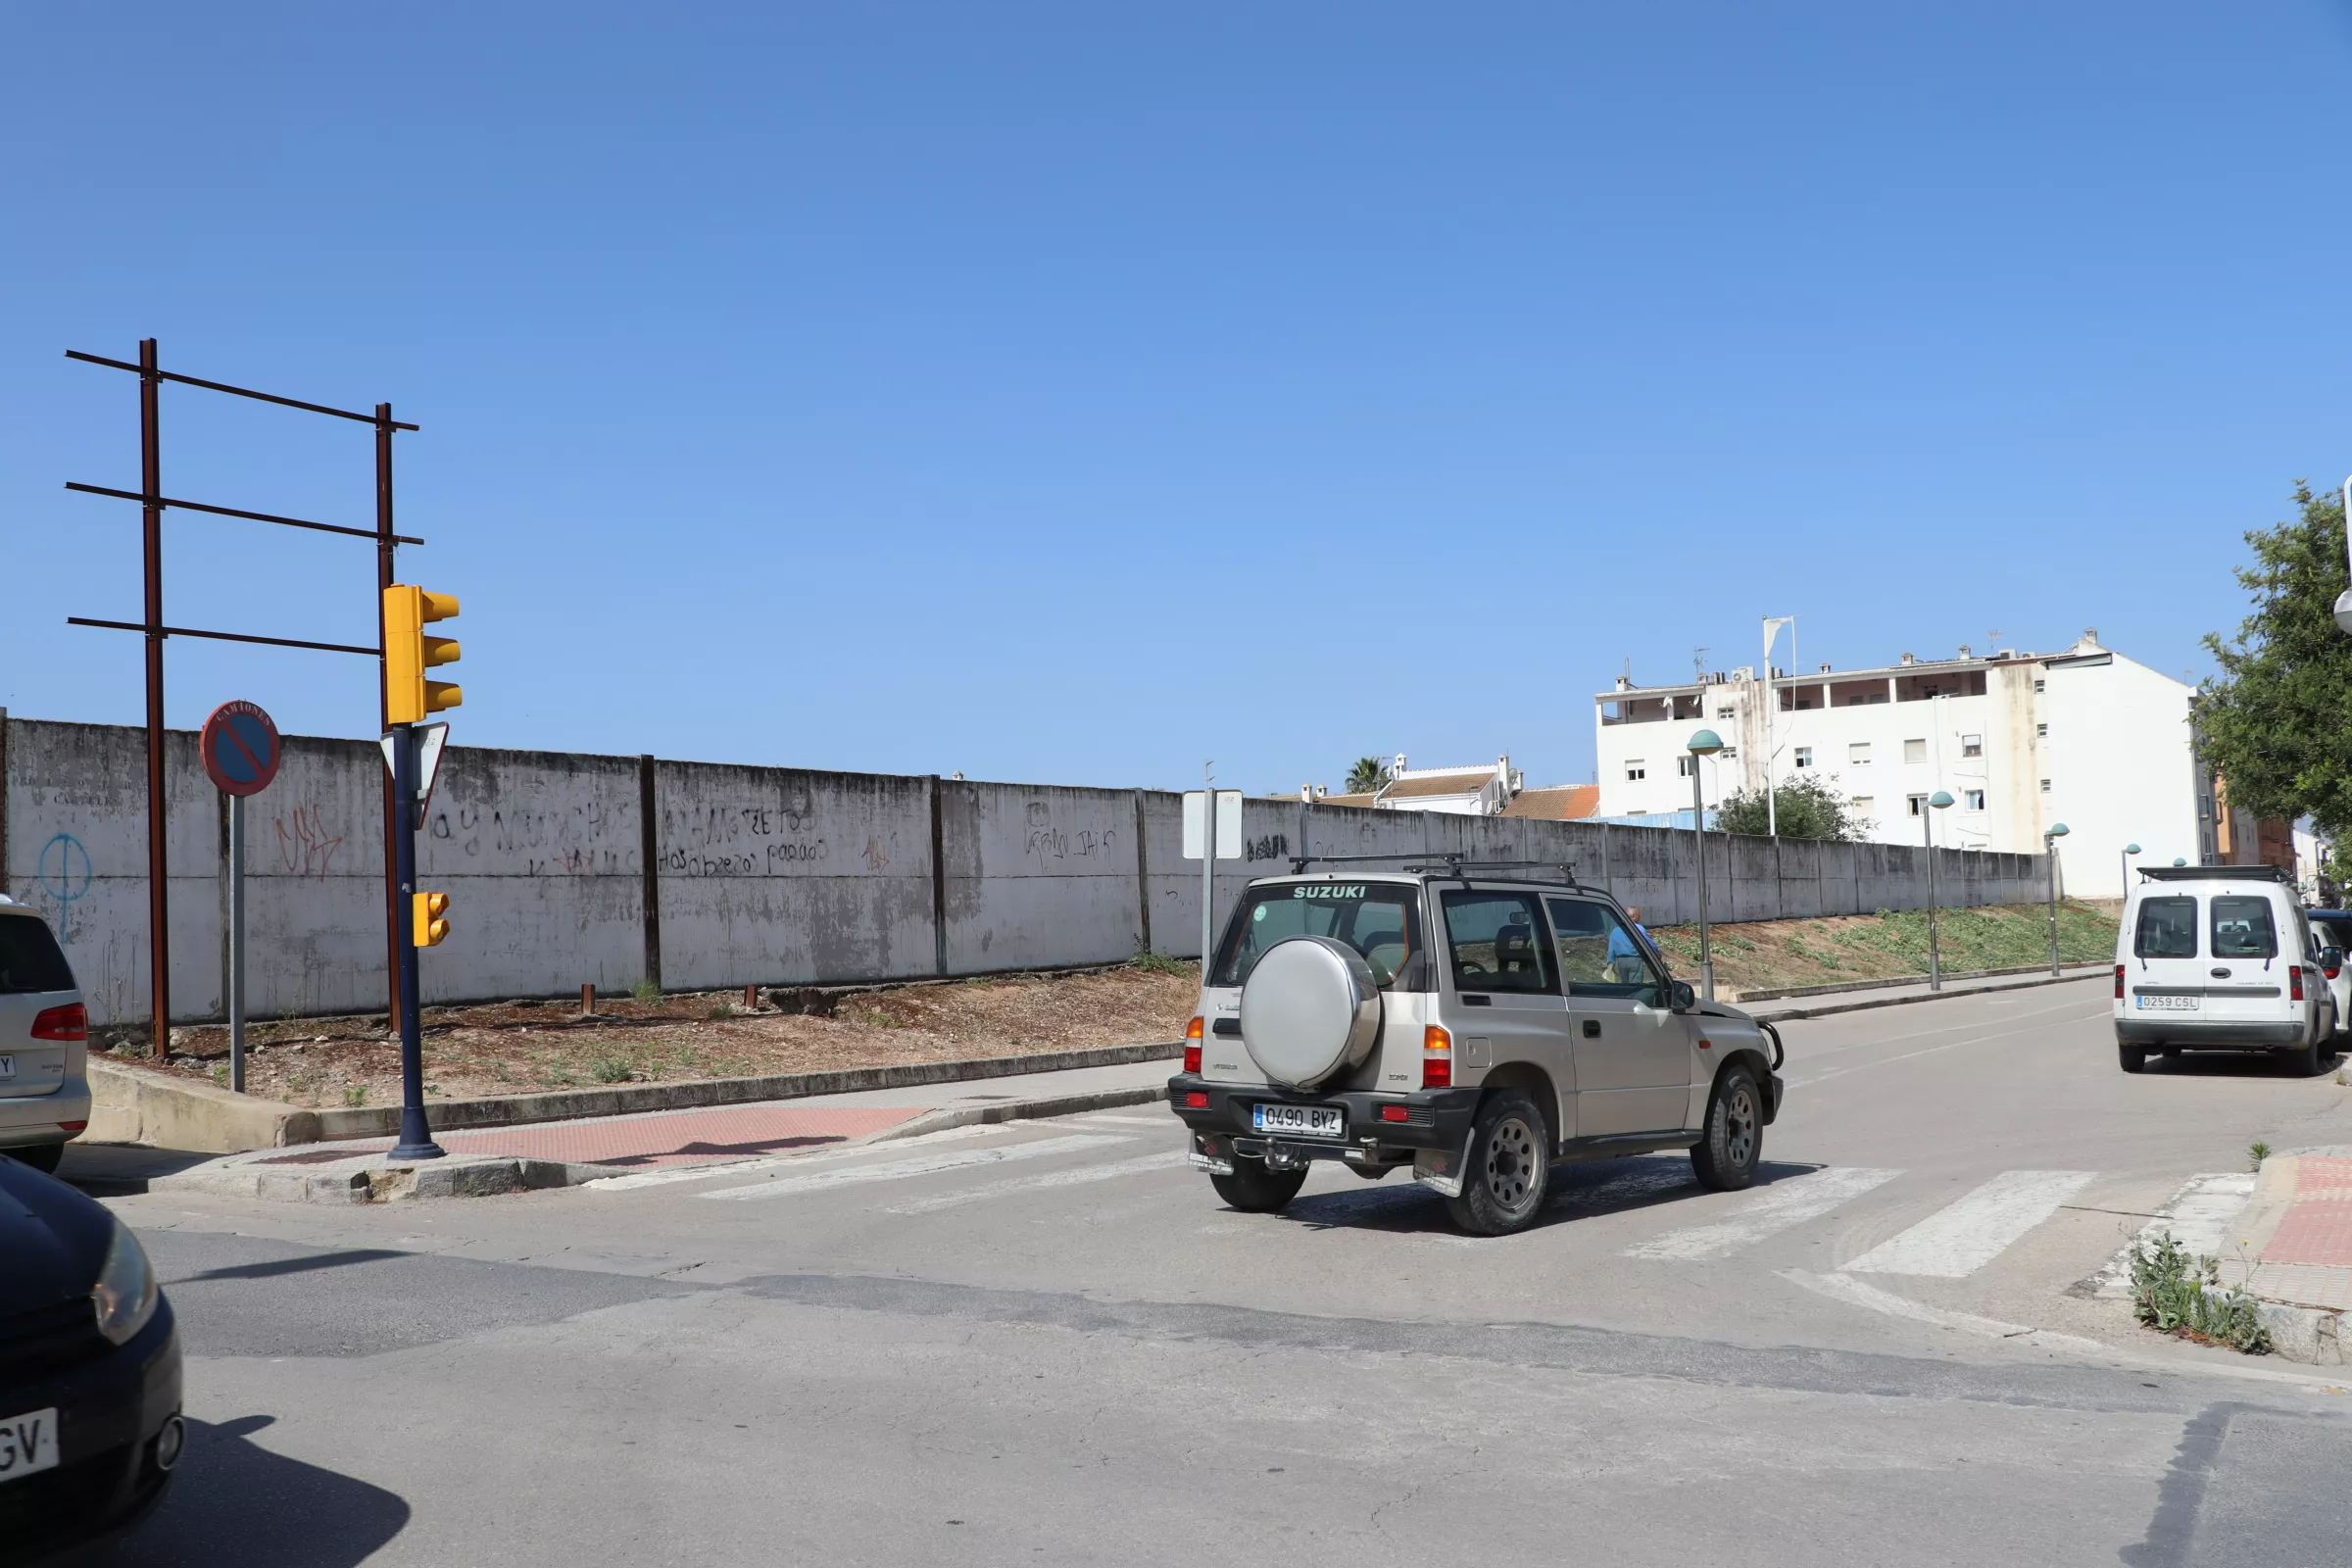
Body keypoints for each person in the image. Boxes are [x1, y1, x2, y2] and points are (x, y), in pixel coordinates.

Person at [1605, 906, 1653, 982]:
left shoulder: (1615, 930)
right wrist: (1657, 952)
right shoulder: (1638, 928)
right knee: (1635, 984)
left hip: (1621, 962)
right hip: (1635, 960)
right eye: (1639, 915)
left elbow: (1611, 949)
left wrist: (1611, 963)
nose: (1640, 917)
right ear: (1633, 916)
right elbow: (1649, 943)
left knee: (1625, 984)